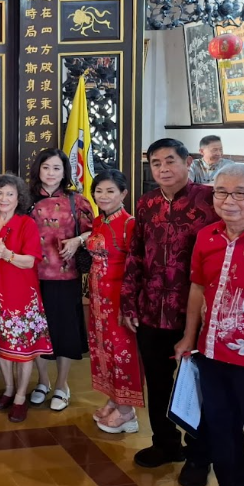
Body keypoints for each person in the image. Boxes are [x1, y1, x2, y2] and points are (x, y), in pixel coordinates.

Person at [121, 138, 216, 485]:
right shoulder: (146, 203)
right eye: (156, 163)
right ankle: (165, 443)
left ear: (187, 162)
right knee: (158, 383)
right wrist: (128, 301)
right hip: (151, 310)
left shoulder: (210, 200)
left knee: (199, 387)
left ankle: (199, 454)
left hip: (196, 313)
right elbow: (135, 254)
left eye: (170, 161)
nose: (163, 169)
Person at [177, 163, 244, 486]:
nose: (228, 200)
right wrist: (189, 337)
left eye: (240, 193)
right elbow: (197, 287)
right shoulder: (207, 236)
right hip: (212, 351)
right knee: (219, 422)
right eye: (221, 192)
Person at [27, 148, 93, 413]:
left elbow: (95, 233)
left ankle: (61, 385)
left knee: (64, 332)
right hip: (32, 277)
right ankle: (42, 381)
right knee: (38, 330)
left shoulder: (77, 201)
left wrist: (78, 240)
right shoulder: (26, 200)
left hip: (66, 277)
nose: (51, 173)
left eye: (56, 168)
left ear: (65, 171)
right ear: (38, 170)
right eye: (46, 167)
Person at [0, 175, 52, 423]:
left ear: (19, 198)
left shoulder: (26, 223)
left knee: (24, 349)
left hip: (22, 294)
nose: (4, 198)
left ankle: (21, 397)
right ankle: (8, 390)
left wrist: (7, 255)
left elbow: (31, 261)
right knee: (2, 346)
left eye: (10, 194)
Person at [86, 170, 145, 435]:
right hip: (99, 299)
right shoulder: (99, 220)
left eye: (110, 191)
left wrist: (130, 304)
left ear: (123, 194)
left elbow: (138, 267)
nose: (104, 196)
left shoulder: (130, 224)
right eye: (99, 191)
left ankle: (127, 412)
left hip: (120, 300)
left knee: (123, 353)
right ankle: (114, 398)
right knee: (104, 350)